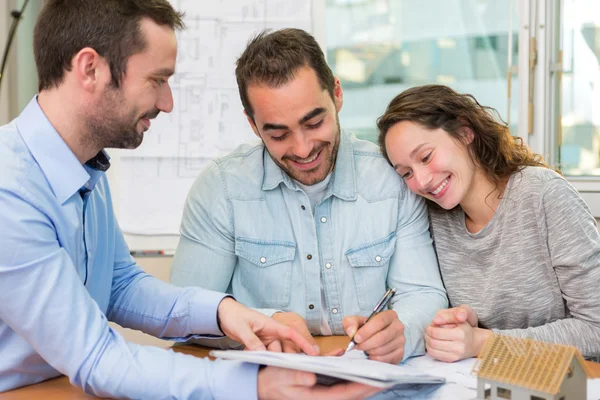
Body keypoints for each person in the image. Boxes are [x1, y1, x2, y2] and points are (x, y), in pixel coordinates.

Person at [0, 1, 381, 399]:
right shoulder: (9, 190)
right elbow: (96, 358)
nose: (167, 102)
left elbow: (119, 286)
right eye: (157, 80)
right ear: (90, 68)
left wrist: (225, 313)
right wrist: (255, 385)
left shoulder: (84, 168)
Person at [170, 28, 448, 364]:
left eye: (314, 123)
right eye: (279, 134)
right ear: (253, 125)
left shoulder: (393, 178)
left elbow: (425, 295)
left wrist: (402, 330)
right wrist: (265, 322)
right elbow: (183, 313)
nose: (303, 149)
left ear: (337, 94)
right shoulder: (221, 189)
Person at [377, 84, 600, 363]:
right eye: (406, 173)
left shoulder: (543, 195)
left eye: (426, 157)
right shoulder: (433, 217)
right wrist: (462, 328)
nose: (421, 181)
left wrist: (485, 341)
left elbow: (596, 329)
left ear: (465, 132)